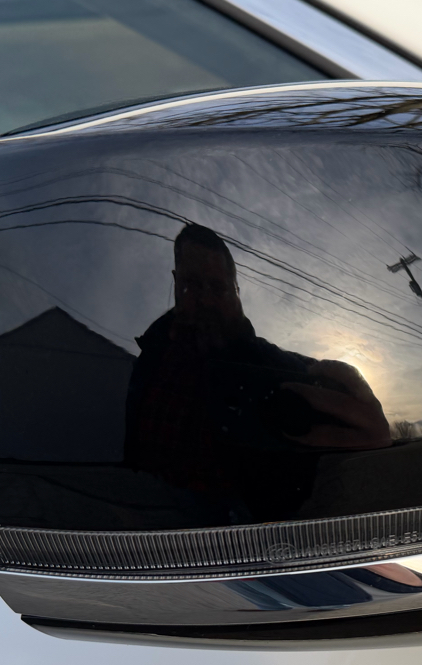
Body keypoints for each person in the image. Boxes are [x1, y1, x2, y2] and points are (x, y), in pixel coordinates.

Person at [124, 223, 389, 524]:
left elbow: (308, 375)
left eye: (218, 287)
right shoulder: (149, 358)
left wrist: (369, 430)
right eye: (192, 284)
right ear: (175, 282)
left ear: (236, 292)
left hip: (256, 534)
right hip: (151, 527)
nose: (206, 299)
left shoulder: (271, 365)